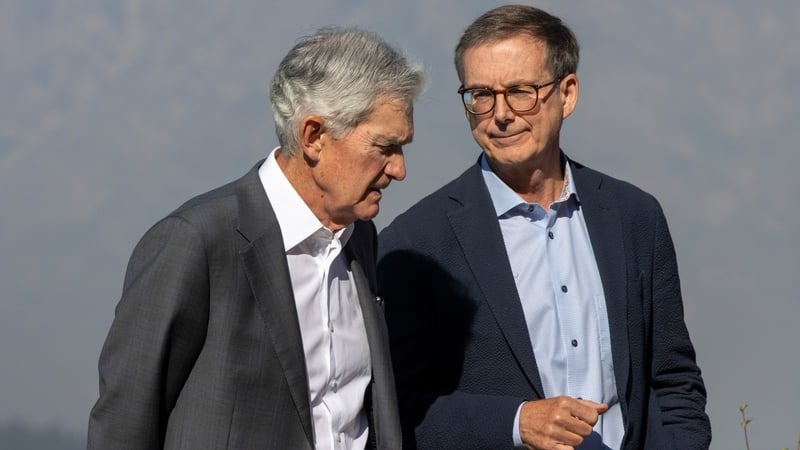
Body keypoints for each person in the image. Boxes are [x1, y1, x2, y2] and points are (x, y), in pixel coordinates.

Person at [377, 5, 710, 450]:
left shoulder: (635, 218)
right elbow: (395, 410)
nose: (501, 114)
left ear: (567, 93)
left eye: (520, 91)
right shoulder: (417, 244)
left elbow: (673, 380)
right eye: (481, 94)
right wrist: (516, 423)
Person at [88, 26, 424, 450]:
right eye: (385, 147)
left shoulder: (360, 241)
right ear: (314, 137)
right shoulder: (195, 242)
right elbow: (124, 425)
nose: (399, 169)